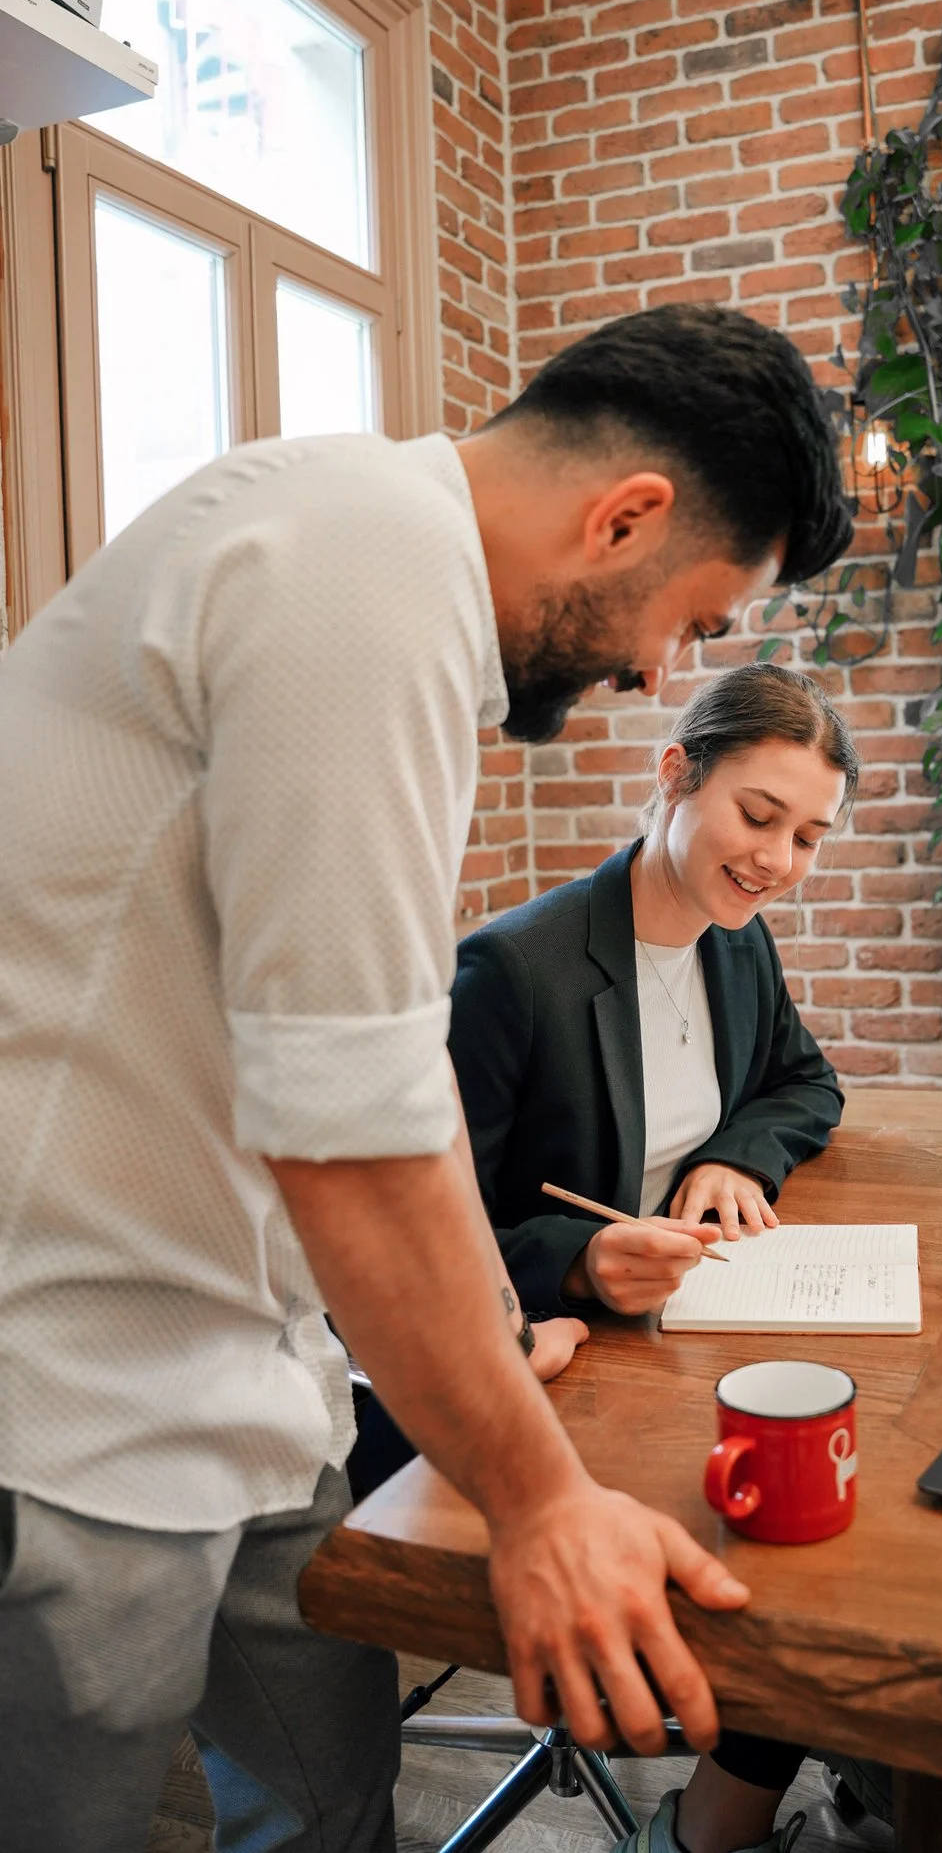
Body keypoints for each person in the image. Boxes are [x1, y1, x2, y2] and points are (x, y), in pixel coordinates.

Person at [0, 303, 852, 1852]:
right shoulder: (363, 566)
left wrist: (463, 1332)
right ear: (627, 516)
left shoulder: (393, 582)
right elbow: (360, 1125)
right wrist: (537, 1497)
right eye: (695, 620)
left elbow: (375, 1080)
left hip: (255, 1384)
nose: (666, 670)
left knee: (335, 1801)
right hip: (67, 1392)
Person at [448, 663, 861, 1853]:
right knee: (789, 1576)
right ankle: (715, 1829)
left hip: (691, 1340)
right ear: (676, 775)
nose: (777, 859)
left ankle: (749, 1812)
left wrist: (737, 1155)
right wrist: (580, 1262)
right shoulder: (515, 970)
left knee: (825, 1525)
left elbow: (805, 1082)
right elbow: (433, 1231)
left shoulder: (738, 942)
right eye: (758, 816)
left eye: (809, 837)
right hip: (559, 1372)